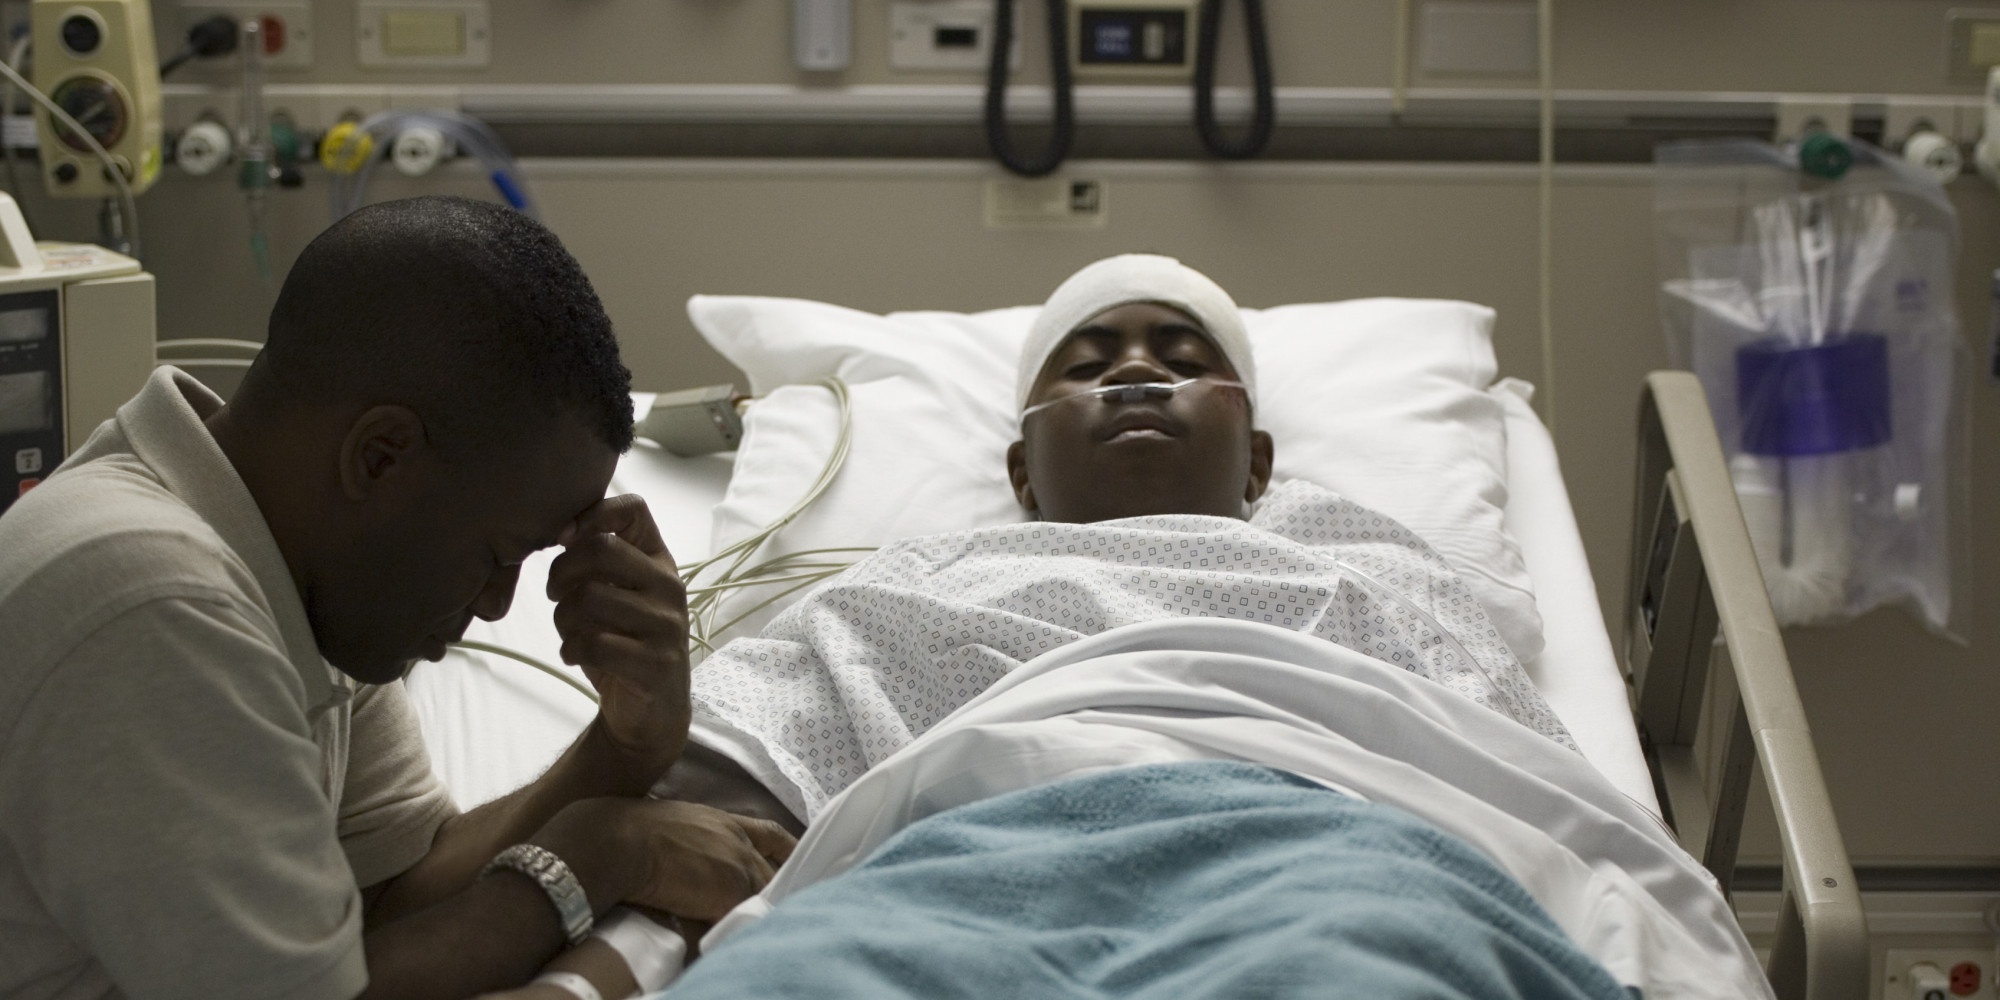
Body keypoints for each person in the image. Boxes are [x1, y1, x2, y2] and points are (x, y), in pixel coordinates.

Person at [0, 196, 792, 1000]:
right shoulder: (154, 604)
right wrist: (607, 854)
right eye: (494, 555)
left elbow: (395, 893)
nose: (492, 605)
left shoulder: (292, 572)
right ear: (380, 458)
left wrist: (626, 749)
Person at [663, 254, 1570, 830]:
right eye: (1090, 367)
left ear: (1257, 463)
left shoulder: (1365, 563)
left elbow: (1528, 789)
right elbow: (720, 768)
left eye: (1183, 360)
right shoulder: (910, 589)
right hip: (974, 879)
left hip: (1321, 859)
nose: (1138, 372)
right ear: (1023, 474)